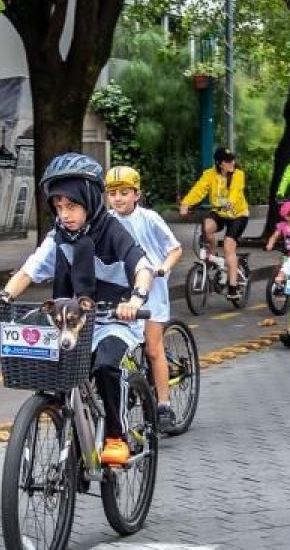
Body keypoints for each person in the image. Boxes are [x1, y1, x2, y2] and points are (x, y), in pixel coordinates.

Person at [0, 153, 155, 465]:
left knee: (107, 365)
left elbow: (142, 266)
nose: (64, 214)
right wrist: (3, 297)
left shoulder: (113, 230)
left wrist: (135, 300)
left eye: (72, 206)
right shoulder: (59, 237)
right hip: (72, 323)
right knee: (57, 375)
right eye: (59, 207)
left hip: (113, 320)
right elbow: (30, 269)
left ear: (90, 201)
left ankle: (116, 436)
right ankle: (72, 432)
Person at [104, 165, 184, 431]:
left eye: (124, 193)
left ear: (136, 194)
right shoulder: (105, 220)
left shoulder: (149, 218)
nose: (118, 199)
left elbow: (175, 249)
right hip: (120, 292)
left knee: (152, 348)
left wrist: (162, 268)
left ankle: (164, 405)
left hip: (151, 292)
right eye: (113, 193)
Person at [180, 147, 249, 299]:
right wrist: (186, 204)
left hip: (238, 215)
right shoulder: (209, 175)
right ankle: (212, 257)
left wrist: (230, 202)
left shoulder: (238, 174)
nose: (232, 163)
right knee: (207, 227)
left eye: (232, 159)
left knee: (228, 246)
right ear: (219, 163)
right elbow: (198, 190)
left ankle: (233, 287)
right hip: (220, 212)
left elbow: (236, 192)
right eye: (227, 161)